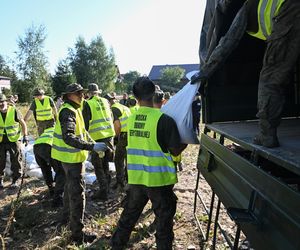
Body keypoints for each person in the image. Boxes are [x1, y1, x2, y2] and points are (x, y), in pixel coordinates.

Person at [191, 0, 300, 148]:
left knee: (270, 79)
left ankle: (266, 135)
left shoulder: (248, 7)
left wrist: (205, 71)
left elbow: (228, 42)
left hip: (289, 14)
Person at [111, 77, 187, 250]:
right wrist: (186, 141)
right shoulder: (163, 119)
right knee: (163, 224)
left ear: (135, 96)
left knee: (129, 217)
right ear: (154, 93)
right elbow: (175, 150)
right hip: (159, 181)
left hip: (138, 179)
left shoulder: (131, 118)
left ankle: (116, 245)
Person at [51, 83, 107, 244]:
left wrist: (92, 142)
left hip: (70, 159)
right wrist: (92, 146)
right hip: (72, 160)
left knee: (70, 189)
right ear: (69, 95)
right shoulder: (68, 111)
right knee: (77, 195)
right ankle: (77, 234)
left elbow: (81, 132)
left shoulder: (74, 109)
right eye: (78, 93)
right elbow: (68, 137)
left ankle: (65, 220)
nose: (82, 96)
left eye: (82, 93)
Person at [82, 83, 115, 200]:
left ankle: (103, 191)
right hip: (109, 137)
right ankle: (107, 187)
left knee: (98, 166)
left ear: (88, 93)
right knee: (105, 163)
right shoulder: (105, 101)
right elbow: (111, 117)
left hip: (97, 138)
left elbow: (84, 124)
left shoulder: (88, 103)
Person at [0, 93, 28, 189]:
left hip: (14, 140)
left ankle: (15, 180)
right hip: (1, 141)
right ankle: (0, 180)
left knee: (16, 161)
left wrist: (25, 136)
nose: (1, 104)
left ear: (6, 102)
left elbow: (23, 123)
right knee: (0, 161)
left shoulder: (14, 110)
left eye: (2, 102)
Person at [104, 93, 131, 190]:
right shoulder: (124, 107)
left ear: (108, 102)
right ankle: (129, 181)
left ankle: (120, 183)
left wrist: (115, 138)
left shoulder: (114, 109)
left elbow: (117, 126)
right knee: (129, 160)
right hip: (131, 136)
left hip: (123, 136)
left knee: (118, 159)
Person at [33, 126, 65, 207]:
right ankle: (58, 198)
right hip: (48, 146)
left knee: (45, 169)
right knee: (60, 171)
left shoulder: (49, 129)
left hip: (36, 146)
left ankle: (51, 189)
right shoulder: (62, 128)